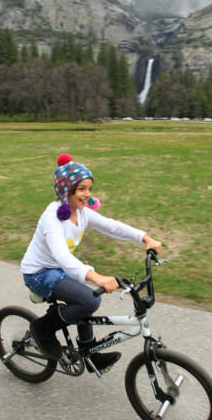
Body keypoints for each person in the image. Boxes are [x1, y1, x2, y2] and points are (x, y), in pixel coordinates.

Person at [21, 153, 162, 373]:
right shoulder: (53, 218)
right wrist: (96, 276)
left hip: (58, 270)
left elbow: (111, 226)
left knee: (83, 298)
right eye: (81, 189)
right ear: (66, 190)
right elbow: (62, 256)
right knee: (89, 300)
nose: (87, 194)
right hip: (39, 273)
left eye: (89, 189)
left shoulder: (82, 212)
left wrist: (145, 238)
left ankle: (89, 353)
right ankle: (43, 328)